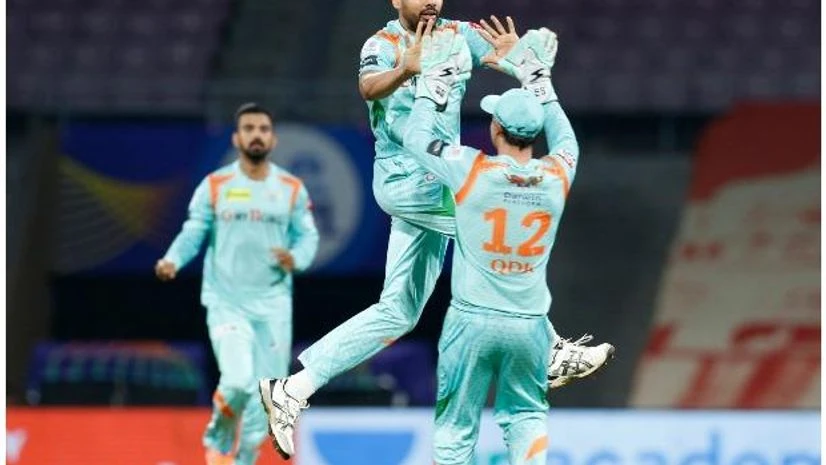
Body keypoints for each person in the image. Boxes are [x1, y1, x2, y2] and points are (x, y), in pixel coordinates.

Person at [258, 4, 613, 459]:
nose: (431, 1)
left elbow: (504, 57)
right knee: (491, 224)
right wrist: (406, 69)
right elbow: (369, 88)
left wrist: (521, 57)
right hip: (406, 181)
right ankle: (547, 350)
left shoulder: (456, 33)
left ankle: (292, 388)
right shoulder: (382, 45)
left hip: (440, 176)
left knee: (398, 311)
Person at [402, 26, 578, 465]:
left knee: (456, 427)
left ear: (496, 128)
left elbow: (413, 137)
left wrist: (434, 84)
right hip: (530, 324)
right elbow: (567, 141)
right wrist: (538, 78)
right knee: (525, 417)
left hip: (471, 321)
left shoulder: (471, 169)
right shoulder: (558, 176)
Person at [155, 103, 319, 465]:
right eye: (249, 128)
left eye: (263, 128)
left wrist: (297, 257)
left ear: (273, 139)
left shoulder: (291, 189)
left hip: (274, 305)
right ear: (236, 137)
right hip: (227, 301)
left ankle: (243, 460)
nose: (256, 134)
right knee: (238, 381)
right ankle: (217, 439)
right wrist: (172, 260)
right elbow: (193, 231)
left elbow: (308, 237)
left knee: (268, 400)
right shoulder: (215, 186)